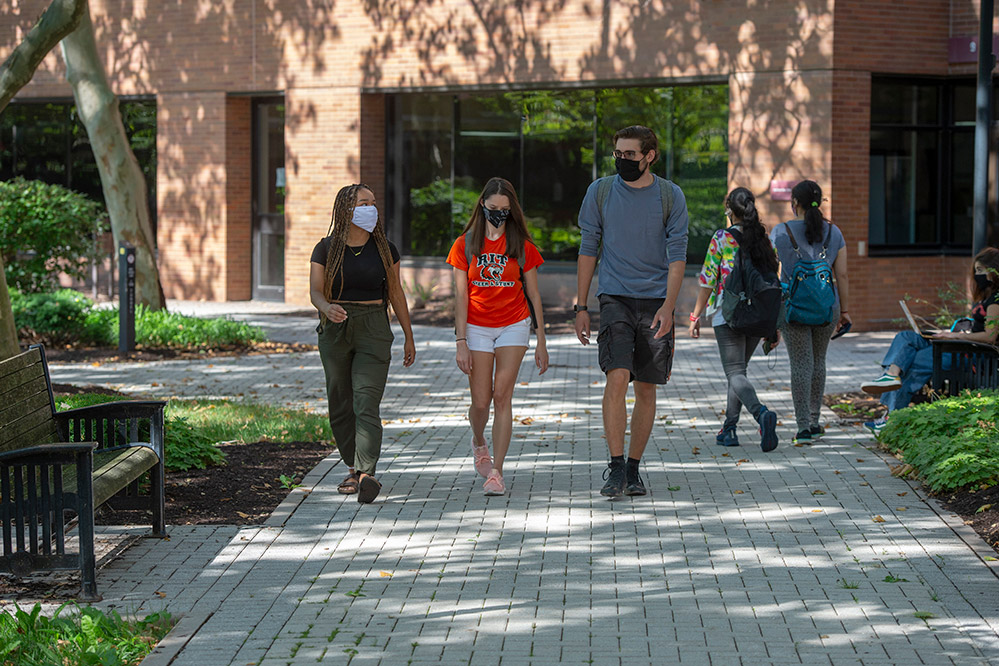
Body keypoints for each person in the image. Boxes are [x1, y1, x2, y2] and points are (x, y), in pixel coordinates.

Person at [575, 125, 689, 498]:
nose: (622, 160)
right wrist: (581, 306)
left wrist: (670, 307)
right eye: (618, 154)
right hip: (615, 298)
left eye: (630, 155)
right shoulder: (601, 191)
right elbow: (588, 248)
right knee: (617, 376)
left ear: (649, 155)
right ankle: (616, 466)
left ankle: (635, 470)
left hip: (657, 301)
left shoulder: (671, 196)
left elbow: (677, 257)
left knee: (646, 388)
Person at [309, 183, 416, 504]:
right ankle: (353, 467)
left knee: (366, 401)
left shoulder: (386, 249)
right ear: (345, 210)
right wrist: (326, 307)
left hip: (374, 326)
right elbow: (315, 290)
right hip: (336, 327)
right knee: (340, 401)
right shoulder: (325, 248)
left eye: (373, 202)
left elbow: (396, 292)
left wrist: (409, 335)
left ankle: (366, 471)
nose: (370, 208)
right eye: (362, 203)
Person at [446, 177, 548, 497]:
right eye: (494, 208)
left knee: (502, 397)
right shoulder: (465, 245)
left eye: (505, 209)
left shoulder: (522, 246)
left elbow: (533, 294)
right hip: (476, 326)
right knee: (481, 401)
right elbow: (461, 297)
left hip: (513, 324)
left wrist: (541, 340)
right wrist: (460, 341)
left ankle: (497, 472)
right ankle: (479, 441)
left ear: (512, 210)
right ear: (482, 205)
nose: (499, 214)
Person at [861, 247, 999, 434]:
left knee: (911, 362)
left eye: (981, 270)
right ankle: (891, 374)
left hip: (970, 356)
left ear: (994, 270)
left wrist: (956, 335)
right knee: (906, 337)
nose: (977, 275)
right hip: (961, 348)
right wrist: (948, 334)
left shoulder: (996, 302)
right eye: (976, 270)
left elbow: (990, 337)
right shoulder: (988, 298)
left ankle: (892, 417)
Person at [688, 187, 780, 452]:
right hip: (758, 313)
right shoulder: (764, 239)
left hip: (727, 313)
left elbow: (707, 280)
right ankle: (729, 429)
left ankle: (761, 414)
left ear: (729, 209)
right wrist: (773, 326)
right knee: (739, 372)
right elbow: (773, 280)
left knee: (735, 372)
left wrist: (695, 316)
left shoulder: (721, 238)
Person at [770, 179, 851, 445]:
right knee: (819, 362)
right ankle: (815, 422)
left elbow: (771, 274)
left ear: (795, 203)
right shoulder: (834, 232)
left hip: (793, 307)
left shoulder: (780, 232)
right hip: (828, 306)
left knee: (801, 364)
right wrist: (845, 311)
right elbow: (843, 275)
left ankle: (803, 428)